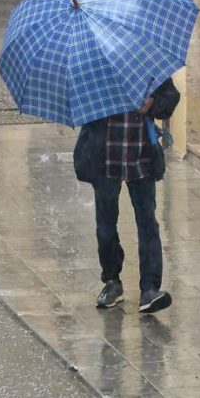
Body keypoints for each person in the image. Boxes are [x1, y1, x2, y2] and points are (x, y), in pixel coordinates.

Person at [73, 78, 181, 313]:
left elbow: (170, 97)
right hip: (104, 156)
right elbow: (79, 107)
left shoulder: (145, 62)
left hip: (141, 155)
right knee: (105, 224)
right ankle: (112, 281)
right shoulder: (92, 66)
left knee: (147, 222)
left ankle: (150, 289)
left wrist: (152, 104)